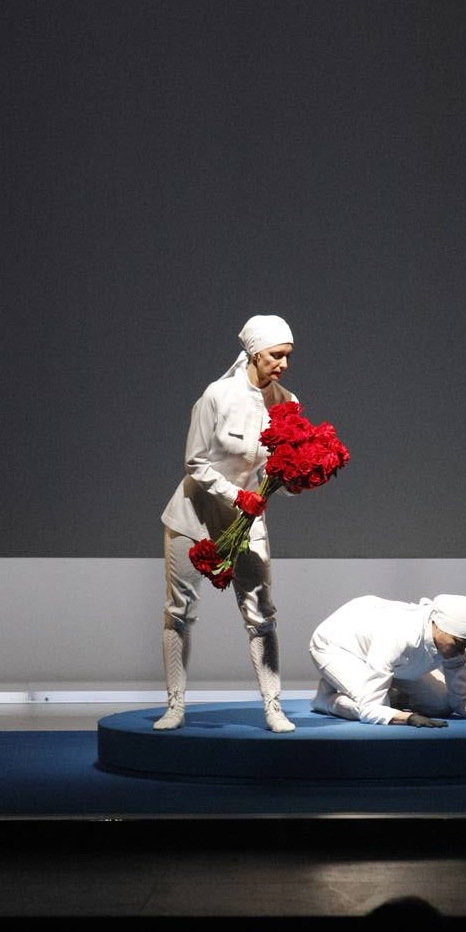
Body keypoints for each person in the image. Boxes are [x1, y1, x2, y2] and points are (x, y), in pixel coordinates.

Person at [154, 314, 298, 733]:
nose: (283, 364)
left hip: (247, 521)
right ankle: (175, 704)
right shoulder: (217, 395)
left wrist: (294, 480)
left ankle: (273, 706)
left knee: (261, 614)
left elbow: (277, 472)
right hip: (193, 515)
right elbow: (195, 462)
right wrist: (239, 495)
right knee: (178, 611)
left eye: (288, 356)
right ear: (255, 352)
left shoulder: (286, 402)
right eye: (276, 355)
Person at [309, 594, 466, 726]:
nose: (461, 650)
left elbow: (459, 700)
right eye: (457, 642)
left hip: (388, 660)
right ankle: (326, 700)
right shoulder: (398, 637)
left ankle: (374, 686)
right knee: (367, 708)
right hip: (336, 646)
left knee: (440, 705)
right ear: (438, 626)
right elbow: (371, 709)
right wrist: (407, 718)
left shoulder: (455, 646)